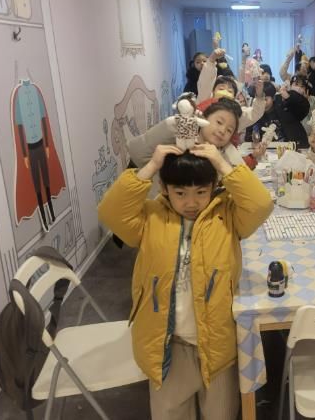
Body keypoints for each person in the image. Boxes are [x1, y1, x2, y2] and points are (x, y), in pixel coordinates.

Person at [98, 143, 273, 420]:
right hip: (168, 347)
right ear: (164, 188)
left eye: (201, 192)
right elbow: (111, 212)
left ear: (214, 186)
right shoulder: (150, 218)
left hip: (218, 345)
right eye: (180, 193)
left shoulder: (228, 217)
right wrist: (152, 165)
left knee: (221, 414)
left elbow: (261, 204)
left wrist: (222, 163)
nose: (191, 202)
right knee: (170, 412)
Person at [127, 97, 245, 169]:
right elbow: (136, 151)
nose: (222, 130)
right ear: (204, 117)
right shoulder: (177, 136)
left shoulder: (224, 155)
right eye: (219, 122)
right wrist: (173, 126)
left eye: (229, 130)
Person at [246, 76, 310, 149]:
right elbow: (249, 136)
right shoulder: (255, 111)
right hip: (267, 151)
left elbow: (304, 108)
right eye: (260, 100)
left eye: (266, 99)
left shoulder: (283, 103)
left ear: (273, 97)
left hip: (293, 148)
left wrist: (289, 97)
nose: (263, 103)